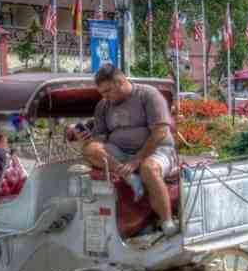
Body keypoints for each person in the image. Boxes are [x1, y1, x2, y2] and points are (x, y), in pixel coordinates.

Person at [72, 64, 180, 236]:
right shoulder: (103, 105)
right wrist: (87, 140)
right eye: (102, 93)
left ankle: (167, 222)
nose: (104, 96)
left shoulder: (148, 95)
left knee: (148, 168)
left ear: (121, 82)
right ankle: (130, 177)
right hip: (120, 153)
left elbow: (161, 131)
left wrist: (137, 159)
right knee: (89, 149)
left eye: (108, 91)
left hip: (156, 150)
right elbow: (100, 139)